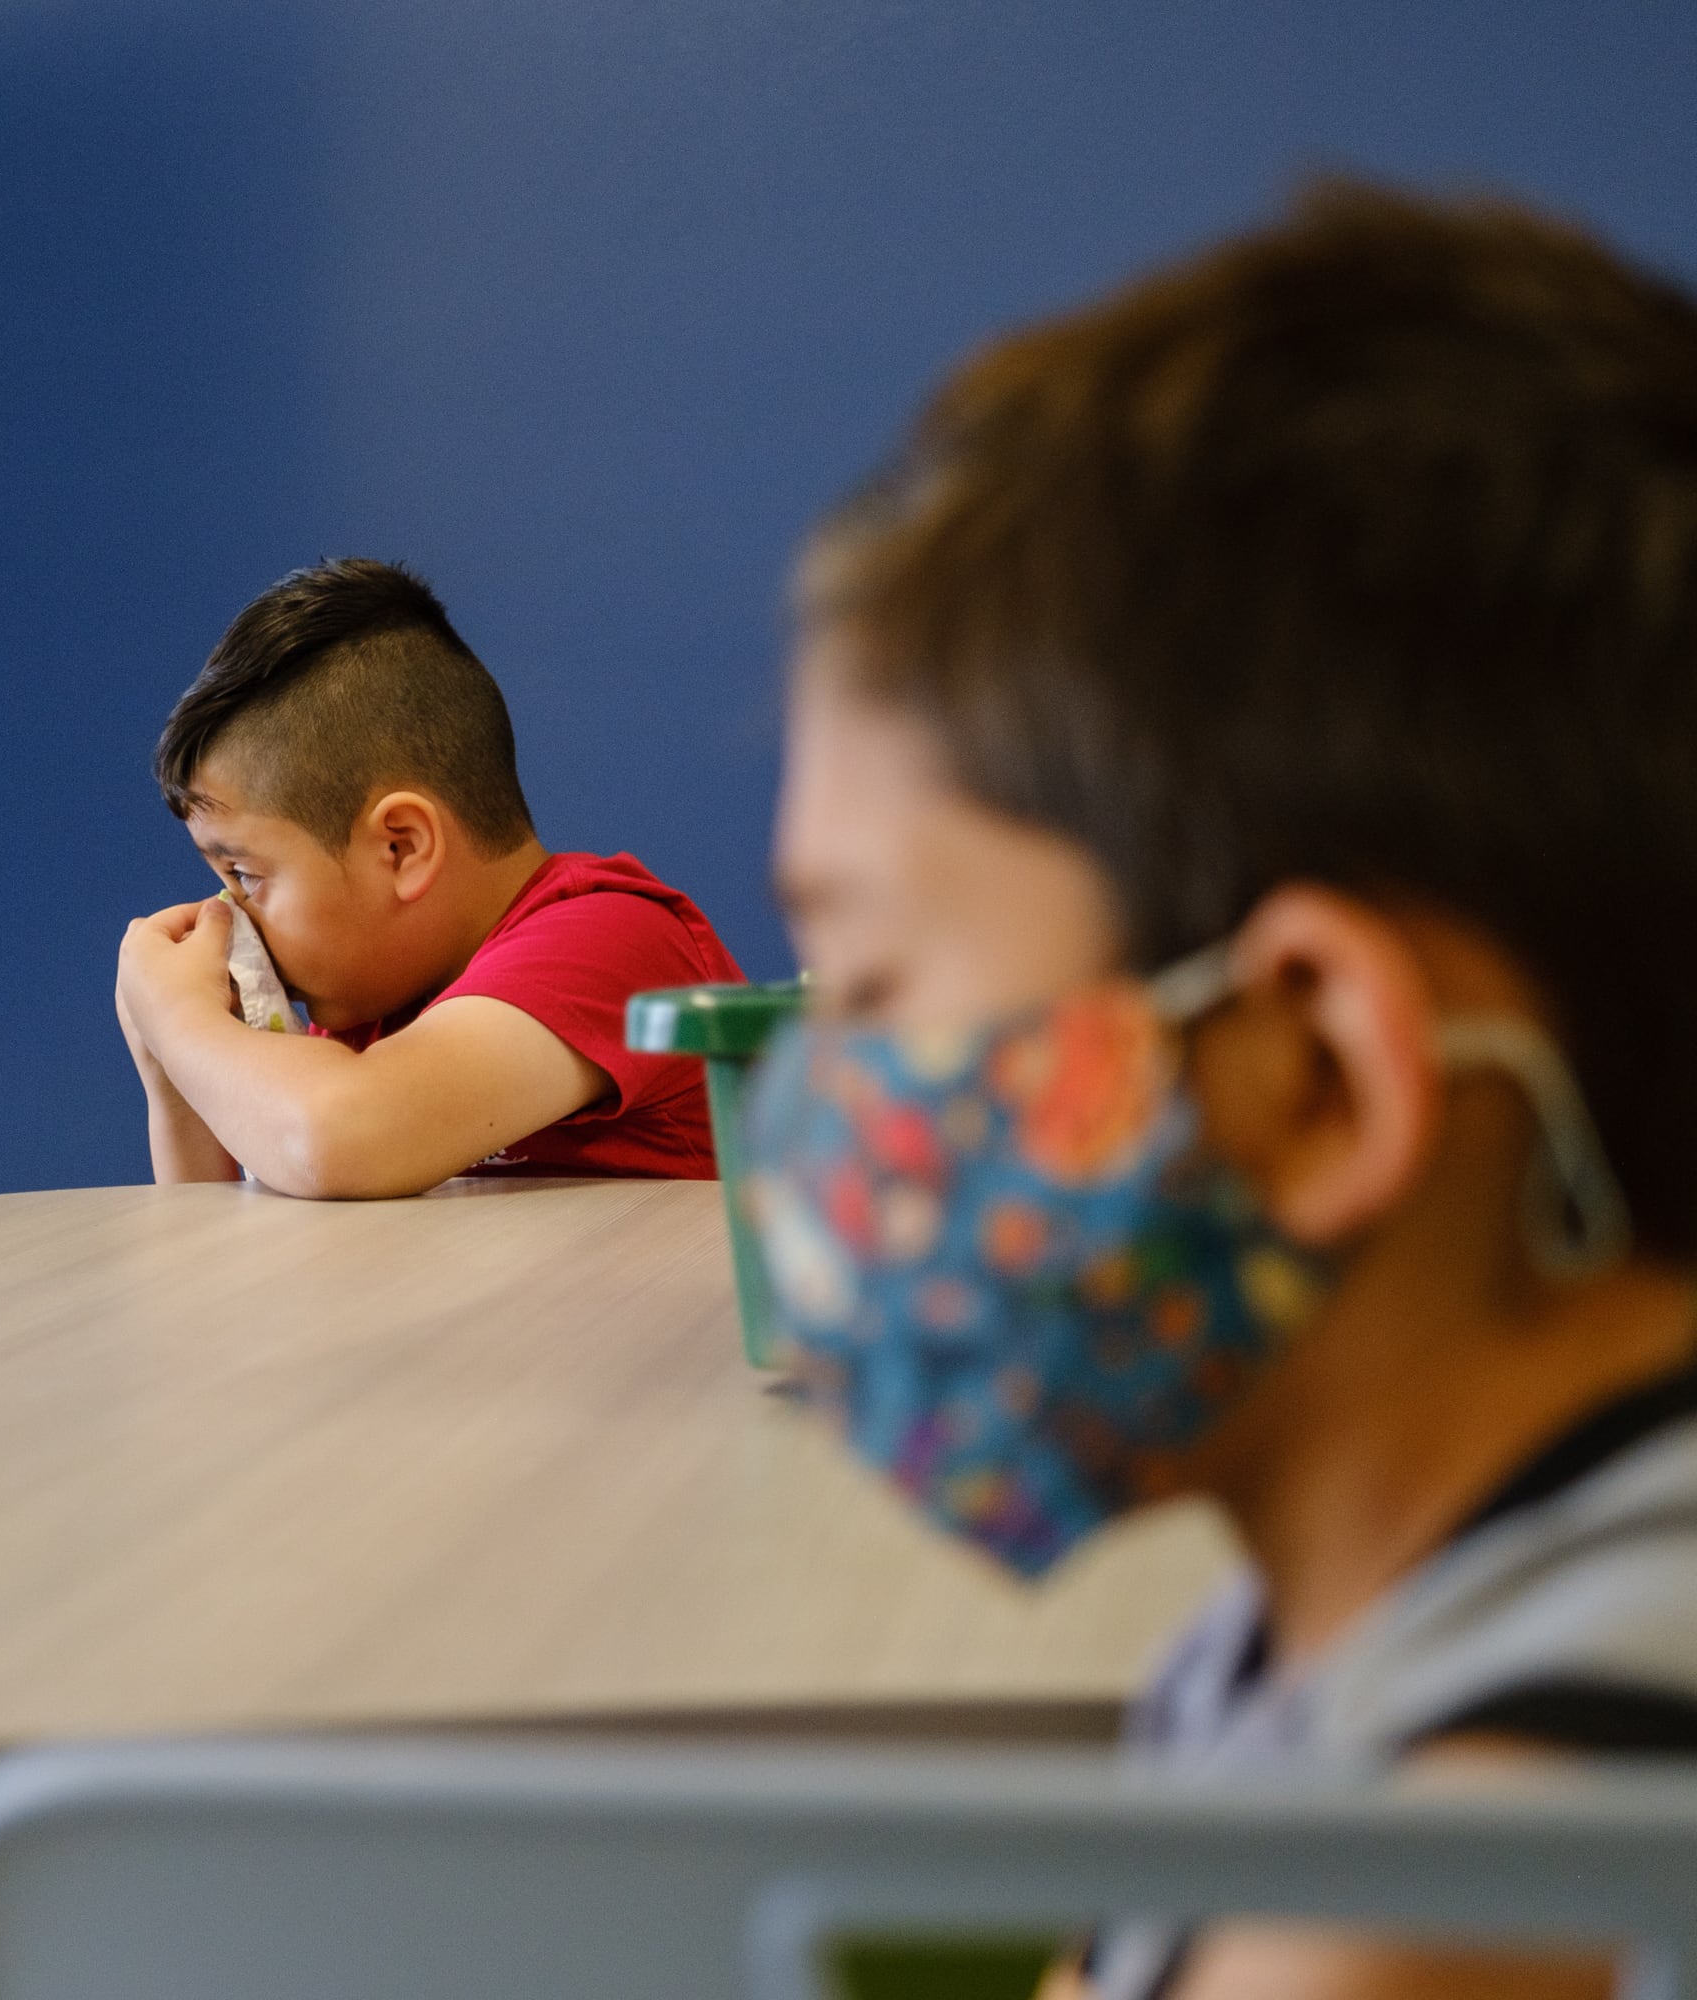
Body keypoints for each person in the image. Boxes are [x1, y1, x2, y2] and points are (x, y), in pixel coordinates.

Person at [745, 184, 1697, 2000]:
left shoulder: (1448, 1892)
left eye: (871, 988)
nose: (825, 1105)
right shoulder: (1316, 1643)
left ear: (1321, 1075)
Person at [116, 558, 743, 1196]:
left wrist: (184, 1021)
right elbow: (208, 1250)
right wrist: (174, 1075)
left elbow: (332, 1143)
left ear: (401, 847)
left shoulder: (613, 943)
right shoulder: (370, 1015)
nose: (229, 913)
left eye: (245, 875)